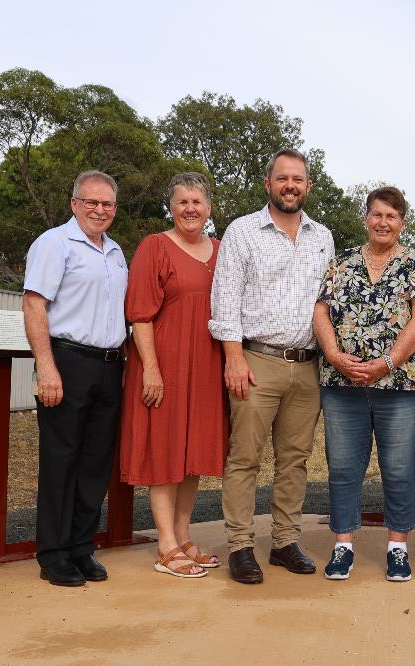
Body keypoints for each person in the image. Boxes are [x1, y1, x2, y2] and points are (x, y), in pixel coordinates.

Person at [209, 149, 334, 584]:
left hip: (306, 366)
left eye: (298, 179)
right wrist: (233, 358)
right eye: (283, 178)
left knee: (294, 459)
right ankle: (241, 546)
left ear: (307, 186)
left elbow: (326, 302)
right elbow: (224, 299)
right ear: (268, 184)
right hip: (256, 360)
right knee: (245, 457)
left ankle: (284, 541)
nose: (290, 186)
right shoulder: (243, 232)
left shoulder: (323, 236)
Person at [313, 186, 415, 582]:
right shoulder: (343, 262)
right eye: (377, 214)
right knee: (343, 467)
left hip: (401, 386)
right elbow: (321, 310)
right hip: (342, 383)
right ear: (366, 217)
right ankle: (343, 545)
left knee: (399, 470)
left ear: (402, 222)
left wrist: (387, 363)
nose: (383, 222)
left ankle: (398, 547)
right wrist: (333, 354)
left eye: (392, 216)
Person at [119, 172, 228, 579]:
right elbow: (140, 314)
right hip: (164, 364)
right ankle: (165, 544)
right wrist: (151, 368)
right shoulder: (155, 247)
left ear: (209, 208)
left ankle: (183, 536)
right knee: (165, 451)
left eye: (197, 202)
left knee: (192, 453)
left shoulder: (220, 251)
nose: (190, 209)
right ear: (172, 206)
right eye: (182, 201)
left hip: (206, 365)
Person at [22, 170, 128, 587]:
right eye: (91, 202)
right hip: (66, 361)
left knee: (95, 462)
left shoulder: (116, 252)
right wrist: (46, 367)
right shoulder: (54, 244)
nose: (99, 210)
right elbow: (34, 305)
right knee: (60, 460)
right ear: (74, 203)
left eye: (107, 204)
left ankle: (82, 547)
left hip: (109, 365)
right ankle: (53, 554)